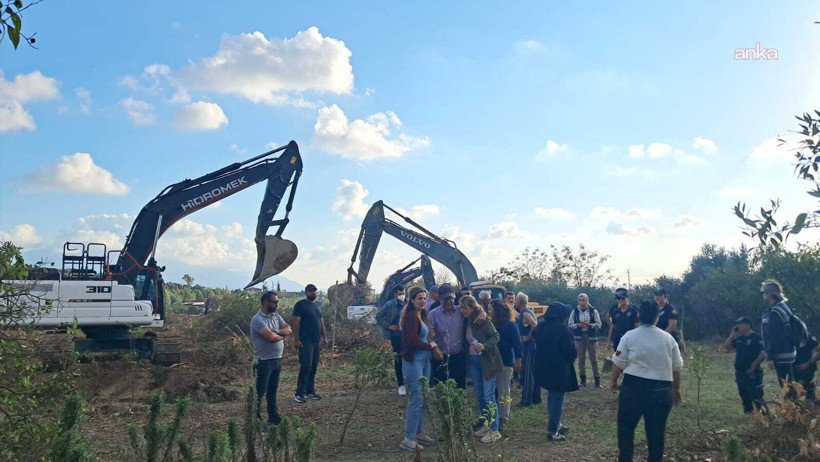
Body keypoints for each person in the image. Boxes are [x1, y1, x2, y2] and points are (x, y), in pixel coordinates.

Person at [611, 299, 683, 462]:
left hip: (633, 390)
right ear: (657, 318)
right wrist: (677, 390)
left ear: (639, 316)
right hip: (661, 392)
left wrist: (613, 381)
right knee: (656, 434)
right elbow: (676, 367)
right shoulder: (668, 339)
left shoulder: (629, 336)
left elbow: (618, 362)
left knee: (626, 431)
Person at [399, 287, 439, 452]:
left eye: (424, 298)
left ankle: (419, 432)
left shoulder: (421, 315)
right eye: (419, 298)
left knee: (423, 396)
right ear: (412, 300)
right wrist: (431, 346)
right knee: (416, 398)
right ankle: (408, 438)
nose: (423, 301)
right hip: (414, 359)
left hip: (424, 360)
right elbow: (412, 341)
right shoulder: (410, 317)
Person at [460, 295, 503, 443]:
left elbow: (496, 336)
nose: (461, 310)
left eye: (464, 308)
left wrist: (484, 346)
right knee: (479, 395)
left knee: (488, 395)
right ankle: (486, 424)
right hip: (473, 361)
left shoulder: (483, 320)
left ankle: (494, 429)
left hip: (486, 360)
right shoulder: (468, 320)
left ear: (472, 307)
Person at [534, 302, 578, 442]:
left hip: (543, 366)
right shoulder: (563, 330)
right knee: (558, 398)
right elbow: (571, 351)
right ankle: (553, 431)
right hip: (559, 368)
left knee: (551, 396)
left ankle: (557, 423)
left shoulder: (540, 326)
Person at [250, 291, 291, 424]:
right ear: (266, 302)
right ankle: (254, 419)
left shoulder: (276, 316)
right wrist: (281, 335)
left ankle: (273, 417)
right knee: (259, 392)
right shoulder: (257, 319)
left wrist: (277, 332)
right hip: (263, 361)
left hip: (277, 359)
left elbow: (288, 330)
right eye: (275, 302)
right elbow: (270, 337)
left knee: (272, 390)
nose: (277, 304)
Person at [490, 299, 522, 432]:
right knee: (491, 391)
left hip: (505, 361)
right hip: (491, 361)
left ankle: (503, 418)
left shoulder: (510, 325)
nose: (488, 311)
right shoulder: (490, 324)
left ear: (497, 310)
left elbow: (517, 344)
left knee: (503, 391)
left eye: (490, 308)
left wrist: (518, 361)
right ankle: (492, 417)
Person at [292, 284, 327, 403]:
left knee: (313, 366)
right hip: (305, 341)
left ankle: (310, 391)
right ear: (306, 292)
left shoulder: (318, 305)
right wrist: (296, 339)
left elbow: (321, 322)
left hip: (316, 340)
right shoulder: (300, 305)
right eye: (311, 291)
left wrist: (324, 337)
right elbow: (296, 322)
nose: (314, 293)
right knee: (306, 366)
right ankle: (299, 393)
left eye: (315, 291)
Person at [723, 317, 765, 414]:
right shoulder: (739, 339)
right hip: (740, 371)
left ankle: (763, 414)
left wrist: (753, 366)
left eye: (740, 324)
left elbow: (763, 354)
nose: (738, 326)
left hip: (752, 371)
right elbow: (726, 347)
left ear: (748, 325)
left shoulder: (756, 338)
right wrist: (732, 335)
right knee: (744, 394)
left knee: (756, 394)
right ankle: (748, 413)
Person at [429, 284, 467, 388]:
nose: (449, 302)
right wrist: (434, 348)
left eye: (451, 298)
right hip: (440, 357)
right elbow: (428, 335)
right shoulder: (433, 314)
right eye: (445, 299)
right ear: (440, 299)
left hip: (458, 357)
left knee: (459, 388)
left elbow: (476, 309)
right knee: (442, 389)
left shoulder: (461, 311)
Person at [760, 279, 796, 387]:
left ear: (770, 294)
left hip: (781, 354)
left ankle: (792, 403)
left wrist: (770, 357)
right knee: (789, 385)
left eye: (763, 292)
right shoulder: (783, 307)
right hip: (788, 352)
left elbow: (774, 336)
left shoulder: (776, 311)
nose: (762, 295)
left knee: (786, 388)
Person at [376, 284, 407, 396]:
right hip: (396, 336)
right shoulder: (390, 304)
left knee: (409, 358)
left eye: (403, 293)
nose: (402, 296)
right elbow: (378, 316)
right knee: (398, 359)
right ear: (395, 294)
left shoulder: (409, 304)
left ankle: (409, 381)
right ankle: (401, 385)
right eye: (400, 294)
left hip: (409, 336)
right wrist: (388, 326)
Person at [567, 293, 603, 388]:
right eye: (580, 300)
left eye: (583, 300)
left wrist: (590, 325)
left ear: (587, 301)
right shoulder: (574, 311)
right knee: (581, 359)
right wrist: (577, 325)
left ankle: (597, 380)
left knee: (594, 359)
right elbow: (570, 324)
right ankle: (583, 380)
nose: (582, 302)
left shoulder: (593, 311)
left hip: (591, 337)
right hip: (579, 338)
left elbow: (599, 324)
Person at [515, 292, 540, 406]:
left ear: (519, 302)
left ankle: (526, 401)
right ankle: (536, 398)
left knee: (527, 375)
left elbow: (534, 325)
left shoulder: (525, 314)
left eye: (516, 300)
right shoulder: (524, 313)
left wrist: (528, 337)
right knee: (531, 373)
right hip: (527, 347)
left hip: (528, 348)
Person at [654, 288, 684, 353]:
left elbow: (672, 326)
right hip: (656, 339)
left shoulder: (670, 309)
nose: (657, 297)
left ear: (665, 296)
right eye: (656, 294)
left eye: (660, 295)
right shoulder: (654, 308)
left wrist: (661, 337)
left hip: (668, 339)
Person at [795, 334, 820, 401]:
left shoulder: (809, 338)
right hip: (794, 367)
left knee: (806, 388)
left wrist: (808, 364)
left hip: (808, 367)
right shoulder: (788, 337)